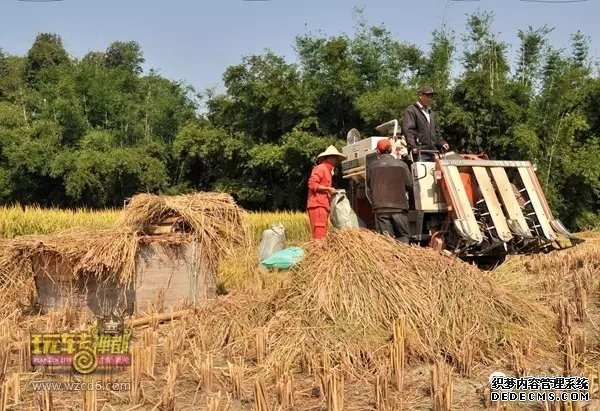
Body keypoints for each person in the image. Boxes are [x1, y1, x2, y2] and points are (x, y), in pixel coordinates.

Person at [367, 139, 413, 243]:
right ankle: (403, 258)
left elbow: (369, 186)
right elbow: (409, 185)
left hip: (380, 208)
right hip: (399, 207)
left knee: (386, 240)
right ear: (391, 149)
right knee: (403, 236)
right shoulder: (402, 165)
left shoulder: (372, 166)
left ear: (378, 151)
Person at [307, 145, 347, 240]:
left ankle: (318, 253)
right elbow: (312, 184)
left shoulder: (327, 170)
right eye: (336, 158)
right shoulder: (321, 168)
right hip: (318, 205)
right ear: (331, 157)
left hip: (322, 206)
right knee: (319, 235)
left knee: (322, 233)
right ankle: (318, 254)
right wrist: (328, 189)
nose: (337, 161)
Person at [401, 86, 450, 162]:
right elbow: (408, 131)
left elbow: (436, 131)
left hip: (432, 152)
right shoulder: (412, 110)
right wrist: (413, 146)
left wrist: (441, 142)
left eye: (431, 96)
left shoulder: (431, 112)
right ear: (420, 96)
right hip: (419, 152)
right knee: (421, 173)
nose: (430, 98)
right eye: (427, 96)